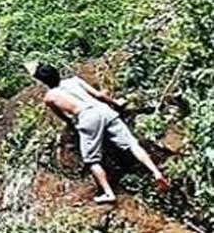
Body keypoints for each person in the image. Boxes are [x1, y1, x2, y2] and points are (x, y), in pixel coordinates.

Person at [27, 62, 170, 204]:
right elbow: (99, 95)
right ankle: (155, 172)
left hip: (86, 117)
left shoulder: (50, 97)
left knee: (92, 160)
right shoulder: (74, 81)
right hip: (103, 110)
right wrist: (116, 103)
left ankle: (109, 193)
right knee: (132, 144)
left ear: (42, 81)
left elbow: (65, 117)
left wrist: (75, 126)